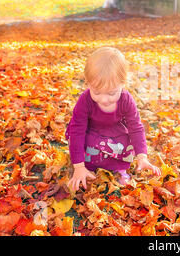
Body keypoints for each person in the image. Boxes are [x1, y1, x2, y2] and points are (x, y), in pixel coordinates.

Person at [65, 46, 161, 191]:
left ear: (123, 84)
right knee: (83, 142)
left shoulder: (126, 100)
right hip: (92, 132)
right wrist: (78, 166)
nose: (104, 100)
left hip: (115, 134)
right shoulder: (85, 100)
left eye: (111, 93)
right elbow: (77, 130)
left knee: (124, 144)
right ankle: (87, 168)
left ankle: (119, 169)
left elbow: (136, 128)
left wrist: (142, 156)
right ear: (88, 83)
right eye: (97, 92)